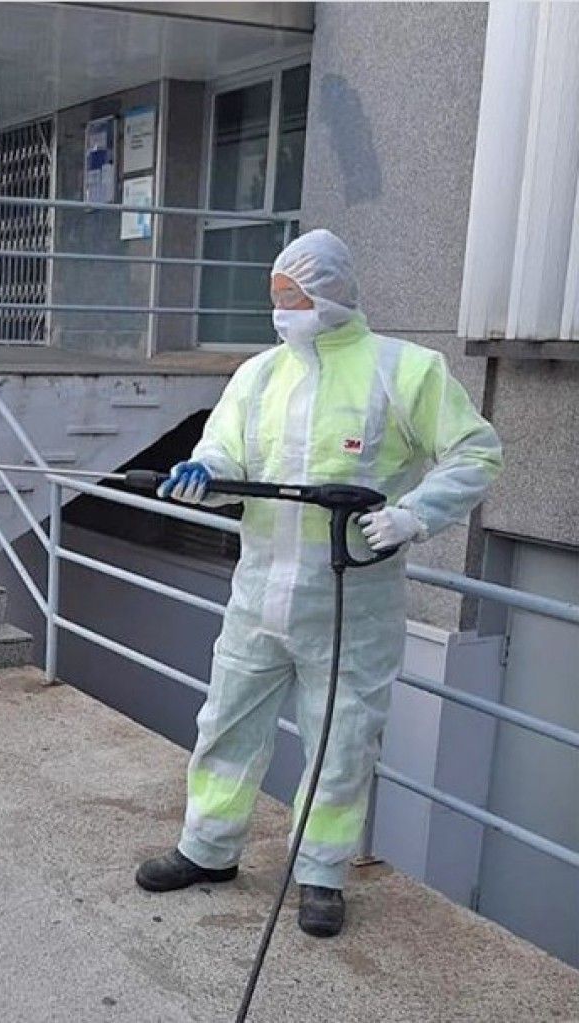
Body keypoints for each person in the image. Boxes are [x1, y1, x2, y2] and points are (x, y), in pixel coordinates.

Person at [135, 229, 502, 938]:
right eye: (276, 298)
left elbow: (477, 453)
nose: (283, 311)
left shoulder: (406, 371)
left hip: (349, 606)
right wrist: (203, 476)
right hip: (256, 599)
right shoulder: (258, 375)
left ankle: (321, 873)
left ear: (331, 292)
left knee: (340, 742)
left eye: (294, 297)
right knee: (225, 726)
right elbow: (224, 449)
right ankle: (208, 849)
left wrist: (413, 516)